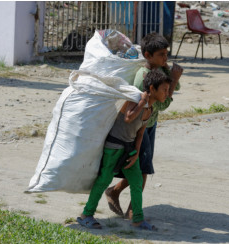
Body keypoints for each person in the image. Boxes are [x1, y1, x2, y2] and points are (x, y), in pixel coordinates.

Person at [77, 69, 172, 230]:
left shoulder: (151, 109)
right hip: (114, 147)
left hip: (129, 149)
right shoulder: (135, 99)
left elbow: (140, 133)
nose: (167, 93)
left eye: (168, 90)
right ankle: (86, 215)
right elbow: (128, 118)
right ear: (151, 89)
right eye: (164, 90)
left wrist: (136, 154)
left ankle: (137, 219)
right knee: (104, 179)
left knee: (136, 181)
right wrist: (142, 103)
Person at [105, 32, 183, 219]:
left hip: (150, 124)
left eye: (166, 54)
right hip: (140, 126)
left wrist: (171, 77)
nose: (166, 58)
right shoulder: (144, 77)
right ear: (148, 56)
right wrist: (174, 80)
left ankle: (114, 192)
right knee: (144, 169)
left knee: (141, 167)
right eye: (161, 55)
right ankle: (133, 211)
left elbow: (174, 89)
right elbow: (162, 104)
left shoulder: (160, 71)